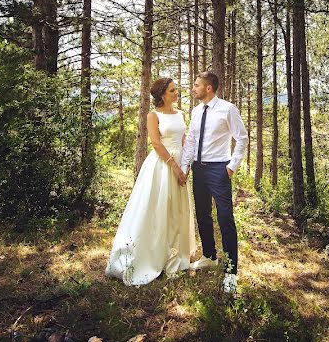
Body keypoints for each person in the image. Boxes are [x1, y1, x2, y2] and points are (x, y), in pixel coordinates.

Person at [104, 78, 197, 286]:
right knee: (158, 208)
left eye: (176, 90)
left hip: (181, 164)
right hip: (162, 167)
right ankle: (153, 254)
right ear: (163, 94)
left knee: (177, 210)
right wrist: (174, 167)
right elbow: (156, 143)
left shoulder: (181, 114)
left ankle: (175, 254)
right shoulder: (153, 116)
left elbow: (185, 141)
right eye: (172, 90)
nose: (176, 93)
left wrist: (186, 166)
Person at [180, 71, 249, 295]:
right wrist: (185, 166)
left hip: (219, 169)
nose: (194, 88)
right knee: (202, 214)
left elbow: (242, 138)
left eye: (197, 85)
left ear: (209, 88)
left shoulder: (228, 109)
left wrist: (231, 167)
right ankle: (209, 256)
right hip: (199, 170)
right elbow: (191, 140)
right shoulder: (197, 111)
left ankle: (230, 271)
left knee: (225, 218)